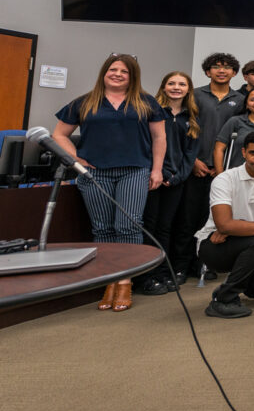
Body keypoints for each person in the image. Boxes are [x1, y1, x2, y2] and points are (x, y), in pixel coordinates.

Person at [52, 54, 165, 312]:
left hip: (134, 171)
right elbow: (59, 134)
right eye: (113, 69)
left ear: (132, 76)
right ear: (104, 72)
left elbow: (159, 138)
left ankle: (125, 281)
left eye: (124, 71)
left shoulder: (146, 102)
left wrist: (157, 169)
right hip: (94, 174)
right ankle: (109, 281)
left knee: (128, 226)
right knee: (102, 229)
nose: (117, 74)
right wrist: (75, 159)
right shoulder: (84, 102)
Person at [194, 131, 254, 318]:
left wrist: (236, 227)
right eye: (253, 152)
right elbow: (223, 226)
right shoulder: (224, 179)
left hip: (253, 246)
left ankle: (238, 283)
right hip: (215, 246)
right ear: (243, 152)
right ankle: (224, 298)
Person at [135, 71, 201, 296]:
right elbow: (146, 145)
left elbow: (190, 154)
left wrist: (177, 177)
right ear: (163, 87)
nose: (176, 87)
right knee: (149, 227)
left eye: (182, 84)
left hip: (176, 181)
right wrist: (159, 173)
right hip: (152, 179)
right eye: (171, 83)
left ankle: (163, 272)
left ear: (188, 89)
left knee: (166, 228)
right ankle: (146, 274)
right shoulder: (152, 113)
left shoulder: (191, 118)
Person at [179, 53, 244, 281]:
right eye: (216, 67)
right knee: (189, 218)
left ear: (234, 73)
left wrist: (222, 168)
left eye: (227, 68)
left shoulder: (240, 99)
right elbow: (185, 130)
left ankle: (205, 263)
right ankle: (182, 266)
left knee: (214, 218)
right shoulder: (194, 95)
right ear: (208, 72)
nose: (221, 71)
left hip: (224, 170)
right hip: (196, 166)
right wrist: (193, 160)